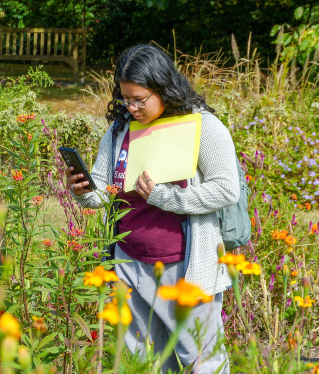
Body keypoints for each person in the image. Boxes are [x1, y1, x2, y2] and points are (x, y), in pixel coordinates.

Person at [66, 44, 239, 373]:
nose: (130, 107)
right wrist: (85, 191)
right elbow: (106, 188)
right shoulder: (120, 130)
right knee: (144, 362)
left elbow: (226, 188)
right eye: (124, 98)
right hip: (129, 262)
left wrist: (166, 197)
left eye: (138, 99)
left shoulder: (202, 127)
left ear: (164, 88)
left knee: (201, 361)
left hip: (184, 267)